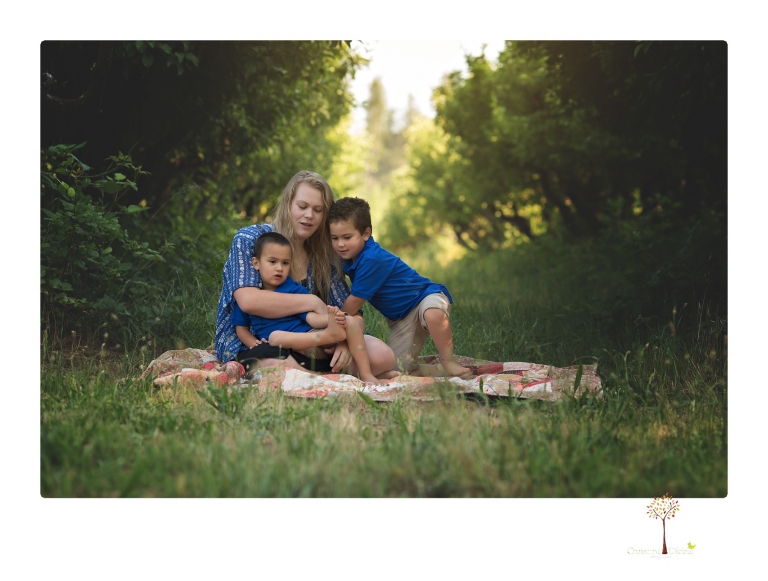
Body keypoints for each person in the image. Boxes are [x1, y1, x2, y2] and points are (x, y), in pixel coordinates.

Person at [215, 170, 397, 378]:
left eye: (318, 210)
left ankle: (321, 373)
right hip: (261, 343)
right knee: (277, 365)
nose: (309, 215)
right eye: (302, 207)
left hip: (312, 341)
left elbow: (353, 314)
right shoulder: (250, 239)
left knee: (383, 355)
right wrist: (311, 301)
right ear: (288, 204)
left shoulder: (325, 253)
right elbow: (248, 301)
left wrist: (345, 342)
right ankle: (328, 375)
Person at [328, 197, 471, 378]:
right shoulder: (350, 255)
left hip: (424, 297)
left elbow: (354, 303)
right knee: (398, 368)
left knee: (432, 312)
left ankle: (448, 361)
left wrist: (335, 324)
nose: (340, 244)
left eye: (347, 237)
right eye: (334, 238)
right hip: (401, 319)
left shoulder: (371, 258)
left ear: (366, 233)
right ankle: (447, 373)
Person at [232, 231, 383, 384]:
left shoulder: (292, 288)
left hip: (311, 341)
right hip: (285, 347)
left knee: (350, 321)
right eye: (273, 262)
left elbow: (311, 318)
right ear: (256, 263)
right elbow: (241, 328)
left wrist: (332, 319)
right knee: (275, 337)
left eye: (285, 263)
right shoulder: (252, 295)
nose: (279, 268)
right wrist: (252, 342)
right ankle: (330, 339)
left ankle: (367, 374)